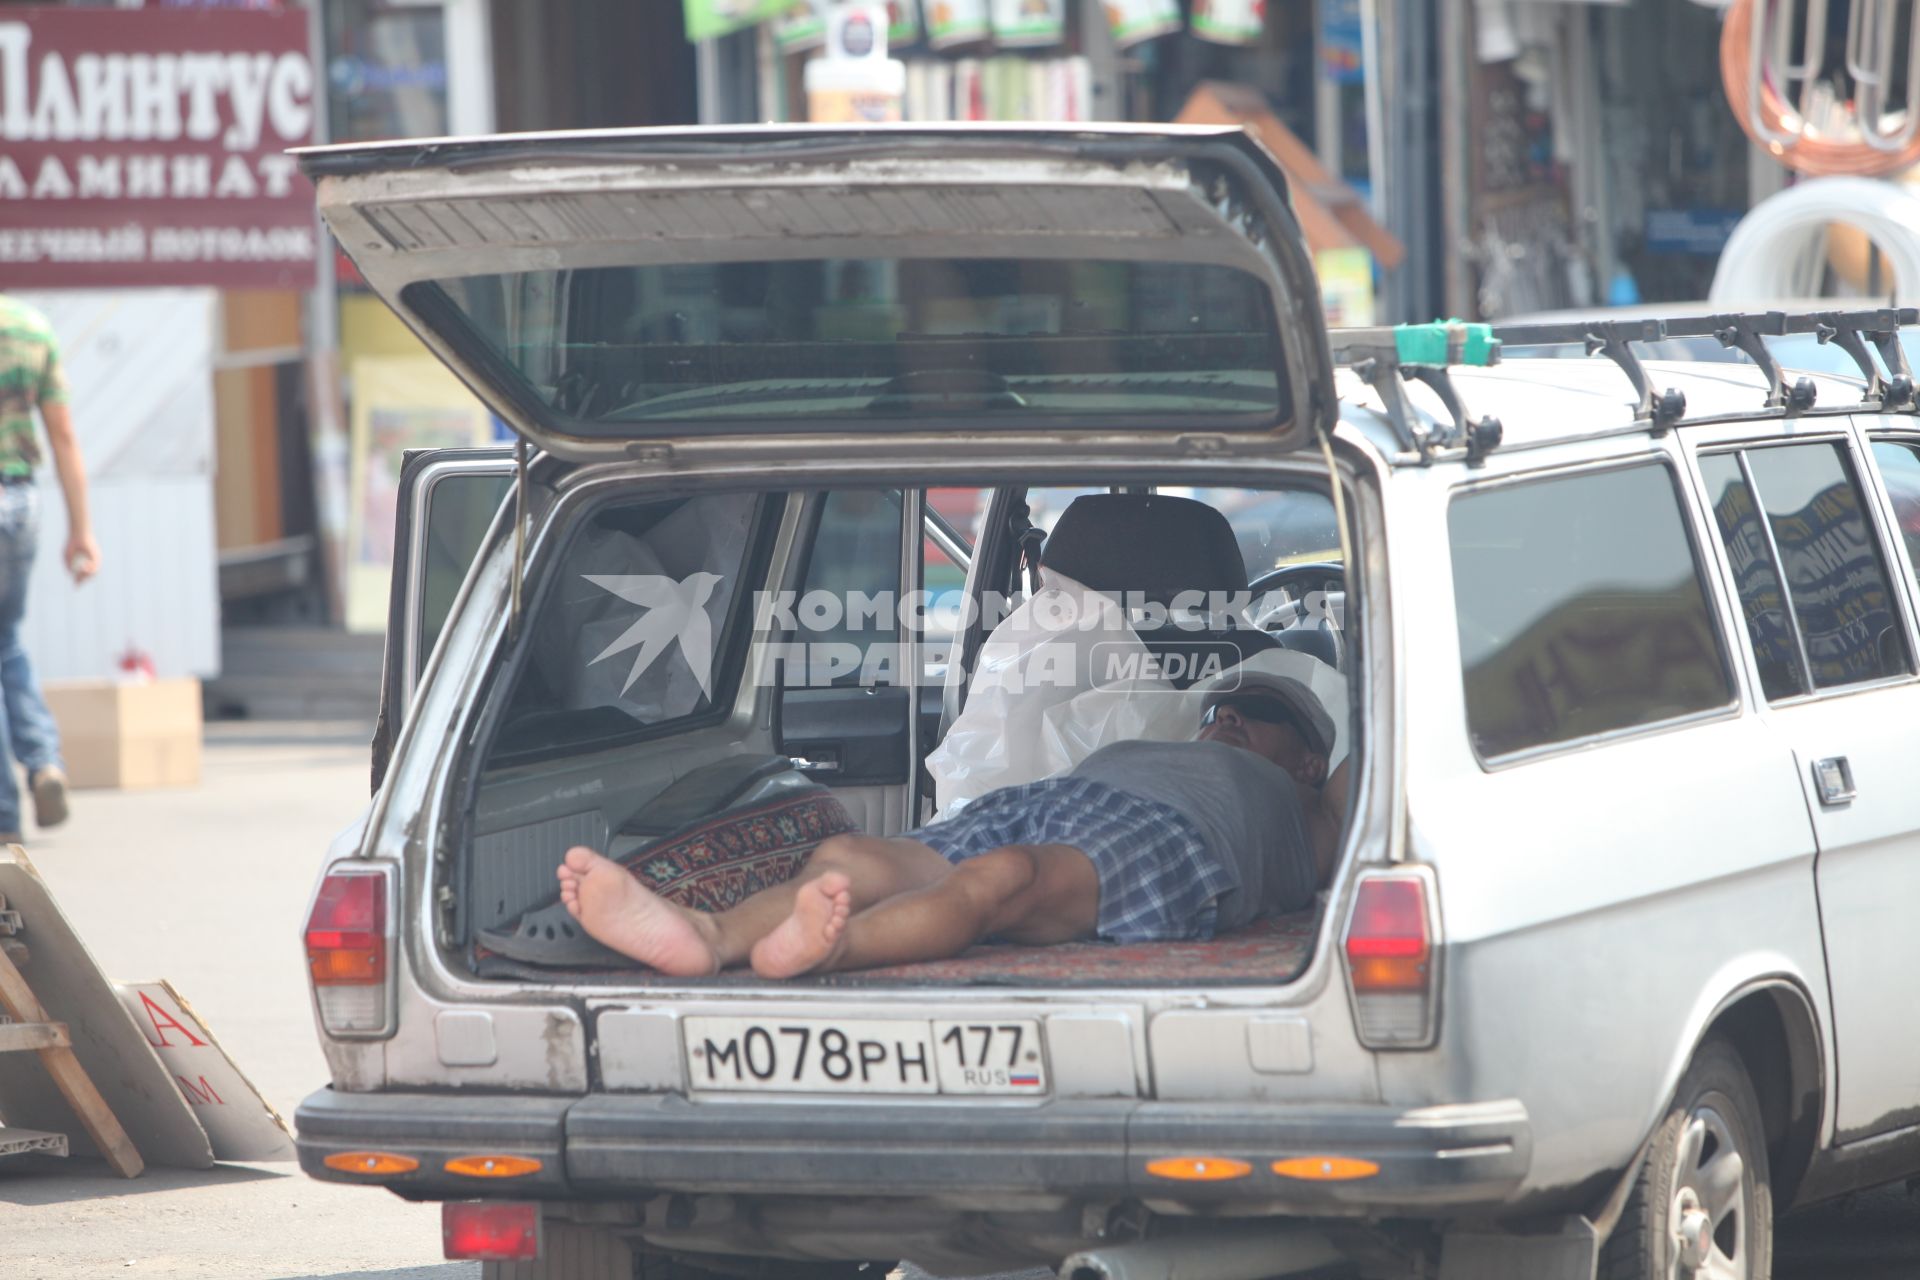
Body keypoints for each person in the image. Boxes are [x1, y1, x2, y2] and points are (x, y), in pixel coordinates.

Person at [556, 657, 1350, 978]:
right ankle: (711, 936)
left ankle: (829, 951)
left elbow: (1396, 756)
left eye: (1255, 709)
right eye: (1220, 706)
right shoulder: (1156, 740)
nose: (1228, 715)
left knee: (1002, 879)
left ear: (1311, 758)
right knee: (852, 856)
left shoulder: (1310, 810)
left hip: (1175, 837)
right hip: (1058, 797)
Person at [0, 295, 98, 843]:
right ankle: (42, 762)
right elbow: (63, 436)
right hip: (20, 503)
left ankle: (3, 814)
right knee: (7, 640)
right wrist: (81, 531)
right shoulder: (31, 328)